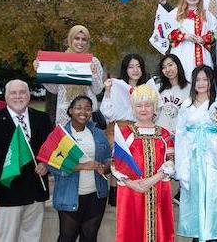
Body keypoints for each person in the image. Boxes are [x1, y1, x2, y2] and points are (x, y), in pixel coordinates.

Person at [0, 79, 52, 242]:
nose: (18, 96)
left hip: (35, 192)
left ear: (28, 95)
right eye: (13, 93)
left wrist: (46, 164)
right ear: (6, 96)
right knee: (8, 238)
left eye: (22, 92)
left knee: (32, 237)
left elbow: (50, 150)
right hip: (8, 192)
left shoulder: (42, 118)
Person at [175, 65, 217, 241]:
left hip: (213, 159)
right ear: (193, 82)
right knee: (194, 199)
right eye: (198, 80)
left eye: (205, 79)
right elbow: (180, 136)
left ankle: (211, 235)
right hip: (192, 158)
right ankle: (197, 236)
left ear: (211, 82)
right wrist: (181, 164)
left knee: (212, 199)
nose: (201, 83)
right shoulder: (186, 106)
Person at [112, 84, 175, 242]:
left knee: (160, 231)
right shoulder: (125, 133)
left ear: (155, 108)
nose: (143, 109)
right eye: (139, 105)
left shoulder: (164, 134)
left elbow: (170, 163)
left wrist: (149, 181)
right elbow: (115, 164)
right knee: (131, 231)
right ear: (133, 108)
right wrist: (131, 183)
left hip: (159, 188)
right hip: (130, 191)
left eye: (148, 105)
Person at [48, 96, 111, 242]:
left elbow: (108, 157)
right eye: (78, 108)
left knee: (89, 237)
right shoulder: (60, 134)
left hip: (96, 195)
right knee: (67, 237)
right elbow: (51, 164)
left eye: (88, 109)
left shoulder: (98, 133)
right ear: (70, 111)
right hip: (69, 195)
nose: (83, 112)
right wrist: (82, 166)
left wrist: (105, 167)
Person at [99, 53, 154, 206]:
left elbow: (155, 111)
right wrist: (109, 91)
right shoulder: (117, 86)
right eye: (131, 67)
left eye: (138, 66)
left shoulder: (148, 88)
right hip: (119, 129)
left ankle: (133, 195)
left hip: (139, 130)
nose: (135, 70)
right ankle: (114, 194)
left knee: (135, 164)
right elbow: (106, 112)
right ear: (125, 69)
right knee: (118, 162)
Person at [34, 25, 105, 125]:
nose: (80, 42)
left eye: (84, 39)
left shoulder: (93, 61)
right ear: (71, 39)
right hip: (64, 115)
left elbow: (98, 90)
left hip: (86, 115)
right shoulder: (61, 61)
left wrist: (93, 74)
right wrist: (41, 70)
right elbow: (54, 89)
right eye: (77, 38)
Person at [151, 0, 217, 82]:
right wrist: (184, 36)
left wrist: (203, 39)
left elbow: (215, 33)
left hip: (202, 54)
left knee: (202, 80)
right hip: (181, 52)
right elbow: (167, 33)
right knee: (181, 79)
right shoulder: (175, 13)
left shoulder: (207, 15)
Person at [155, 54, 190, 133]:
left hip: (182, 135)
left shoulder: (190, 88)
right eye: (164, 67)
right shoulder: (157, 89)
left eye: (170, 65)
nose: (167, 69)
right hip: (161, 136)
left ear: (178, 65)